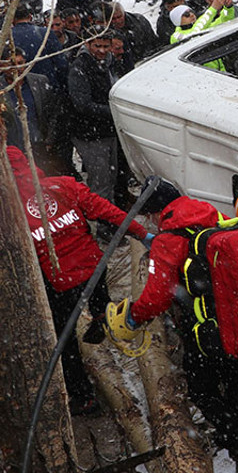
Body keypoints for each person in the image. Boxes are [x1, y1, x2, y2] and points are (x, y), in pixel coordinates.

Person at [107, 182, 238, 472]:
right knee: (236, 381)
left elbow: (156, 297)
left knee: (201, 389)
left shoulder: (168, 240)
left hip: (207, 329)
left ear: (156, 213)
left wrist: (133, 317)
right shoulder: (211, 215)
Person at [7, 145, 148, 415]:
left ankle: (84, 399)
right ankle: (102, 317)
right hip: (93, 269)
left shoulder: (9, 212)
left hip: (60, 282)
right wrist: (140, 232)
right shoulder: (63, 185)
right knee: (99, 301)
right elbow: (107, 211)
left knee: (65, 340)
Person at [66, 28, 120, 201]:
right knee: (100, 181)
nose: (102, 51)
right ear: (87, 44)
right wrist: (113, 112)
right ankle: (103, 221)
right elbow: (83, 105)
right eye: (97, 46)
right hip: (89, 134)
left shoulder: (110, 63)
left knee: (111, 177)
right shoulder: (80, 67)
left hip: (109, 130)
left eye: (106, 46)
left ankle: (110, 215)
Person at [2, 47, 70, 176]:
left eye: (21, 63)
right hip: (12, 152)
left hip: (39, 148)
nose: (17, 68)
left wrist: (49, 140)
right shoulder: (2, 90)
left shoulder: (39, 82)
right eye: (11, 63)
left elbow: (52, 113)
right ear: (3, 65)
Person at [107, 1, 161, 67]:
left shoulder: (139, 21)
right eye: (113, 19)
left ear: (124, 13)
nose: (118, 21)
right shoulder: (106, 32)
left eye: (119, 17)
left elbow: (154, 41)